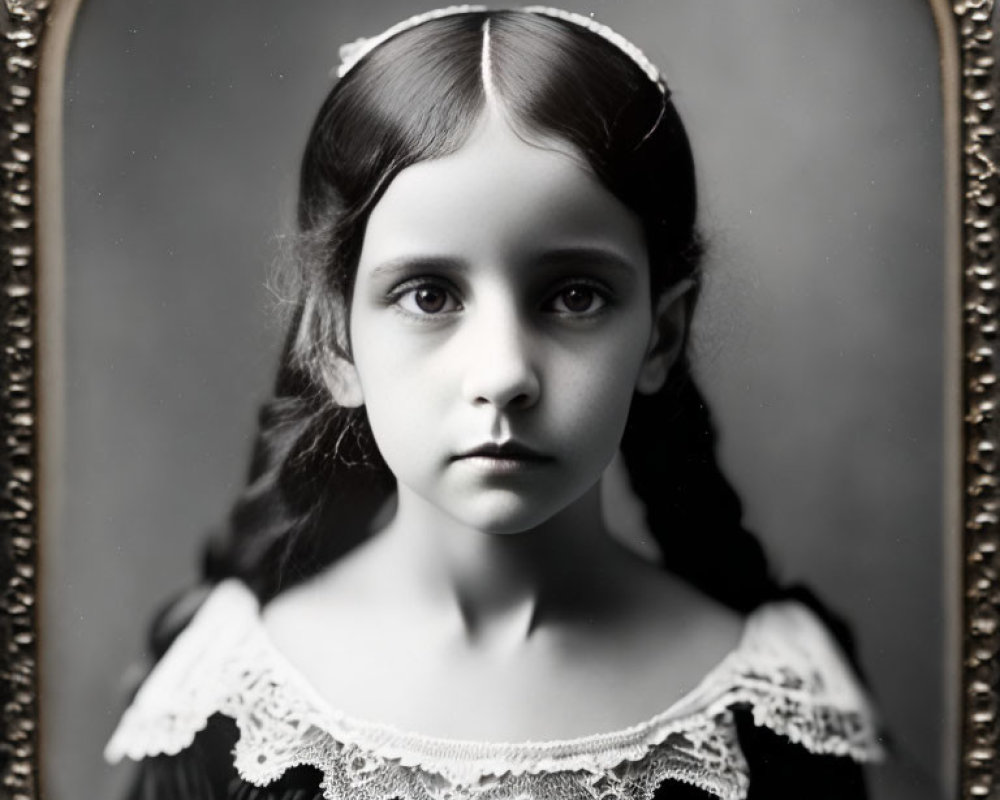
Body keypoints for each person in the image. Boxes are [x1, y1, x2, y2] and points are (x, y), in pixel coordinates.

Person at [104, 7, 884, 799]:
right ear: (337, 343)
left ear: (660, 336)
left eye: (574, 296)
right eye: (429, 295)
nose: (504, 372)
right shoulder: (236, 712)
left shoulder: (764, 709)